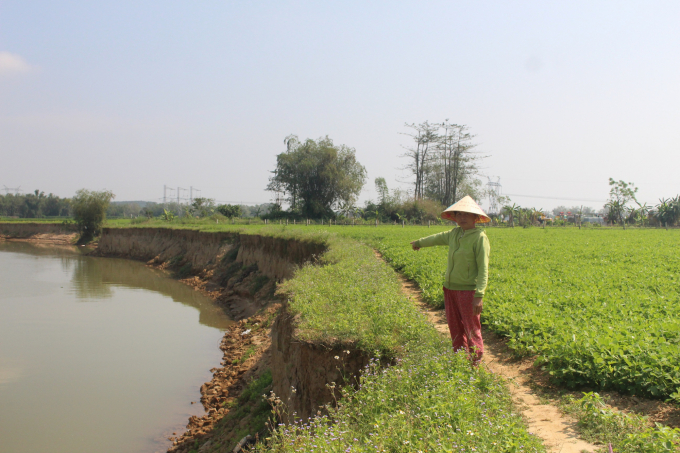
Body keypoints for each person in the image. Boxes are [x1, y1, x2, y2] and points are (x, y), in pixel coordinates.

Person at [410, 196, 490, 364]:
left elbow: (483, 269)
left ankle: (475, 362)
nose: (462, 218)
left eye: (466, 214)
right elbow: (437, 238)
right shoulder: (454, 234)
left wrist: (479, 295)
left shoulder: (480, 238)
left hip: (468, 291)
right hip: (450, 289)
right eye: (459, 214)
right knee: (455, 327)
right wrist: (419, 242)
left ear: (476, 217)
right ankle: (460, 360)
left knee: (471, 327)